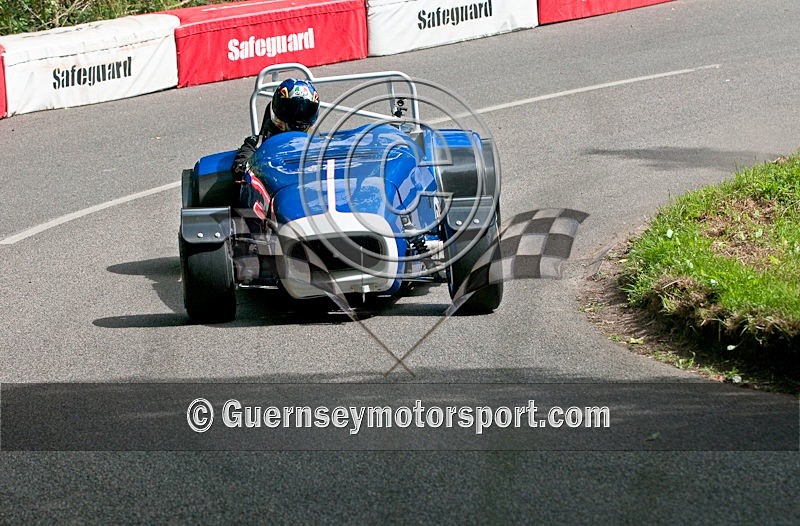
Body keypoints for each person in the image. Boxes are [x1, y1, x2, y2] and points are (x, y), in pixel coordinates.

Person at [231, 78, 320, 185]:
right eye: (290, 110)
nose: (298, 118)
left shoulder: (319, 144)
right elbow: (239, 168)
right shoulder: (257, 143)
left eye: (306, 111)